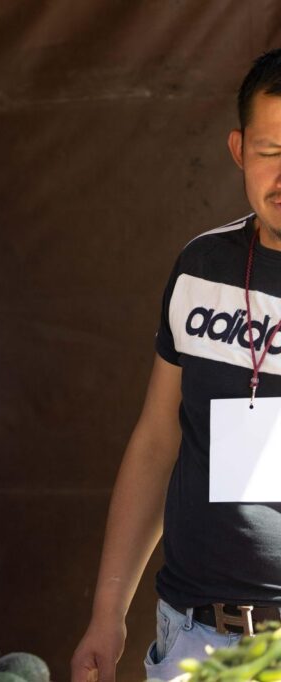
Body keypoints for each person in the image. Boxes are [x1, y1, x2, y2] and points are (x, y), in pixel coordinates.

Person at [71, 48, 281, 682]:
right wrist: (108, 612)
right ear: (239, 150)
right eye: (271, 151)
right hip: (194, 636)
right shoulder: (201, 267)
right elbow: (158, 439)